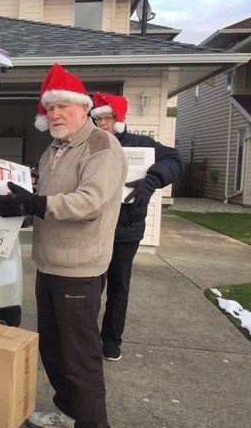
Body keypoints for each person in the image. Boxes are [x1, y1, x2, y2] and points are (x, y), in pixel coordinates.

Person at [0, 64, 127, 428]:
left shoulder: (102, 145)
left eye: (64, 106)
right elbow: (48, 203)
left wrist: (34, 204)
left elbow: (89, 202)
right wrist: (21, 207)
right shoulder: (54, 149)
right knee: (54, 351)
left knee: (81, 361)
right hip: (49, 266)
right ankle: (68, 413)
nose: (56, 114)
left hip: (79, 271)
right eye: (50, 108)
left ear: (84, 108)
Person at [90, 92, 183, 361]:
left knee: (119, 287)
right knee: (91, 286)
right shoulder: (90, 144)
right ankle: (86, 338)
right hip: (94, 227)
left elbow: (175, 160)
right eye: (98, 119)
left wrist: (152, 180)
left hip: (125, 229)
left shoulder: (141, 144)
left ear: (119, 119)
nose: (102, 124)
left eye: (107, 118)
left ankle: (111, 341)